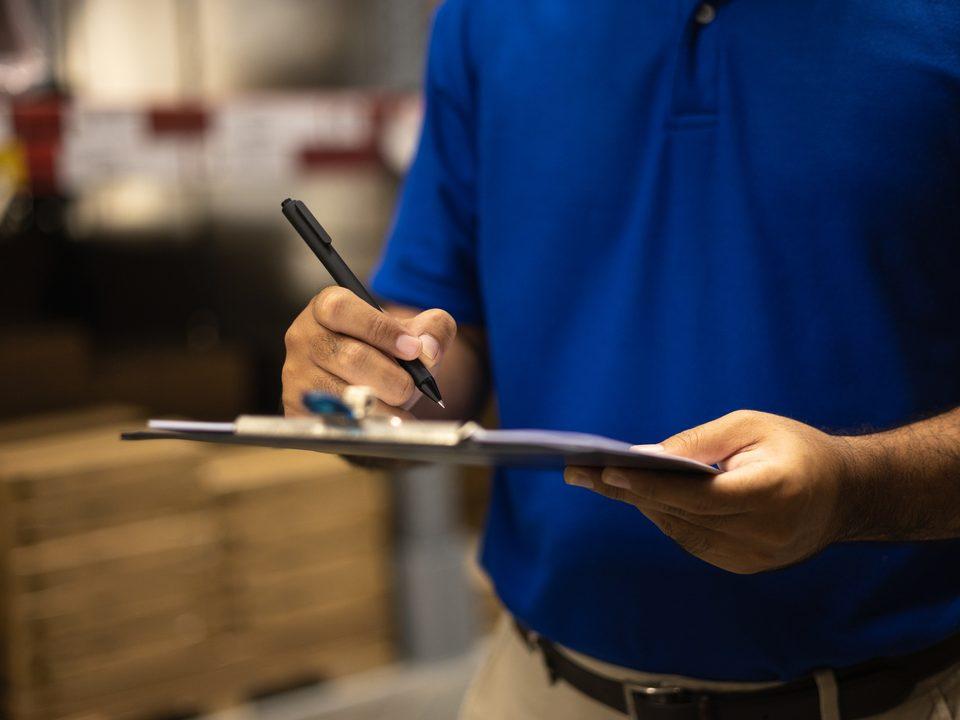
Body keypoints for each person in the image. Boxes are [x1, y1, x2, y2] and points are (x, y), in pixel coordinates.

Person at [282, 2, 960, 717]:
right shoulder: (487, 17)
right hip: (542, 690)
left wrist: (852, 492)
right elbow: (454, 342)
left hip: (898, 697)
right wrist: (368, 383)